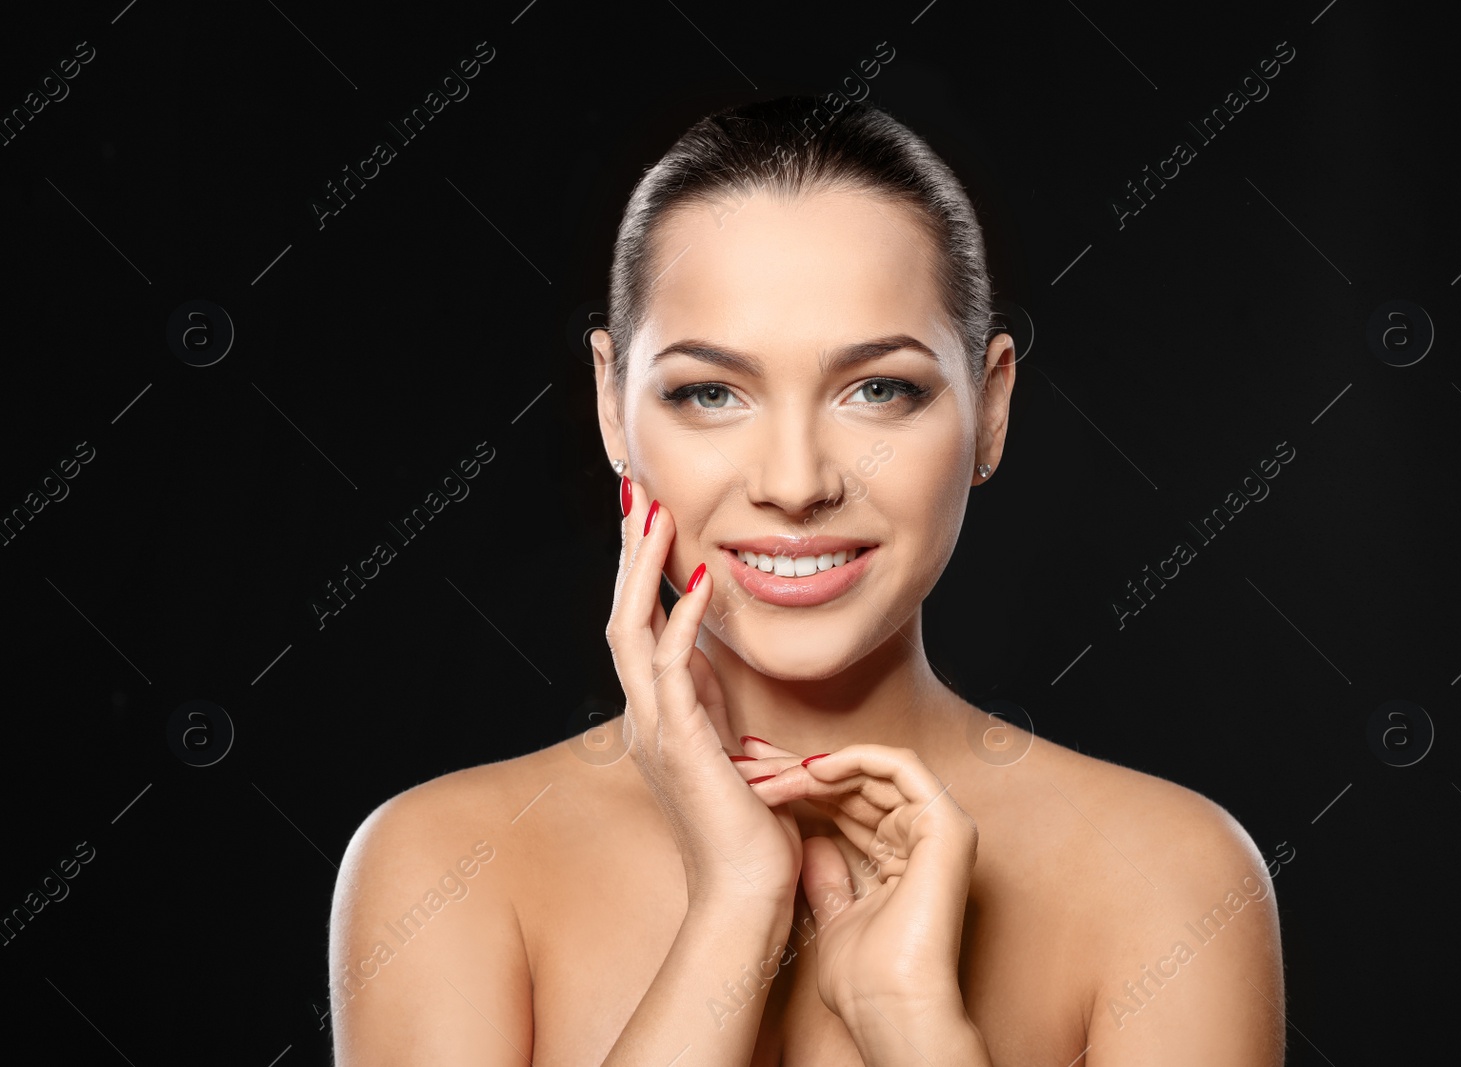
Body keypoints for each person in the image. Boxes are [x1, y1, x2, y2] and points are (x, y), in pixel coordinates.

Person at [328, 95, 1285, 1066]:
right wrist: (736, 904)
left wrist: (915, 1027)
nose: (795, 483)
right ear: (614, 408)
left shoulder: (1173, 880)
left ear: (990, 407)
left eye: (879, 389)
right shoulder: (442, 865)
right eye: (710, 392)